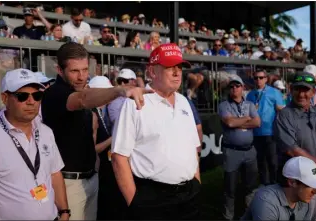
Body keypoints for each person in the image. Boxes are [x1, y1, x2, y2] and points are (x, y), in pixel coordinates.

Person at [41, 42, 153, 220]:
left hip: (90, 180)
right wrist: (119, 90)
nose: (81, 76)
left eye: (85, 70)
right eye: (74, 71)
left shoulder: (84, 90)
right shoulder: (55, 93)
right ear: (59, 70)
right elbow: (83, 99)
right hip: (68, 184)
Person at [111, 43, 201, 219]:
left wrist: (197, 182)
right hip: (153, 198)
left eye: (180, 67)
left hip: (189, 194)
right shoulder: (134, 103)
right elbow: (119, 157)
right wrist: (135, 202)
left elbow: (193, 147)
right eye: (169, 67)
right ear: (152, 71)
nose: (177, 73)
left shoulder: (184, 101)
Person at [0, 68, 69, 220]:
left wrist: (64, 212)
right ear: (5, 98)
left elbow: (55, 173)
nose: (31, 102)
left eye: (37, 96)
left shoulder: (46, 132)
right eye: (22, 96)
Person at [274, 72, 316, 220]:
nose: (301, 94)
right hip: (299, 185)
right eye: (297, 89)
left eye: (306, 90)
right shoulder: (284, 115)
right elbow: (291, 148)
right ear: (291, 90)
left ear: (314, 92)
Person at [218, 74, 260, 220]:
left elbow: (257, 123)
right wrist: (248, 118)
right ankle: (228, 217)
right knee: (230, 188)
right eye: (232, 86)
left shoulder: (248, 104)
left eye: (237, 86)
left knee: (251, 186)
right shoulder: (223, 105)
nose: (235, 88)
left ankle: (249, 214)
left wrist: (238, 122)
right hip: (232, 152)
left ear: (243, 88)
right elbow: (229, 123)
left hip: (250, 151)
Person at [241, 156, 316, 220]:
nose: (315, 192)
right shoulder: (266, 201)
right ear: (292, 182)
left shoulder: (304, 201)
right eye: (310, 185)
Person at [88, 76, 127, 220]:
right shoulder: (91, 113)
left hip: (105, 171)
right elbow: (92, 149)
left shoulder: (101, 111)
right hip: (99, 174)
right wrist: (113, 138)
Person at [246, 69, 284, 186]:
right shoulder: (250, 94)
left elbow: (282, 111)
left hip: (271, 132)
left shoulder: (274, 92)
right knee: (260, 162)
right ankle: (264, 186)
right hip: (255, 132)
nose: (258, 80)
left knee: (273, 162)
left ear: (266, 79)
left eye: (261, 77)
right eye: (256, 78)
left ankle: (275, 185)